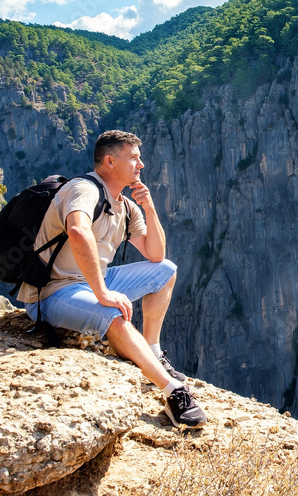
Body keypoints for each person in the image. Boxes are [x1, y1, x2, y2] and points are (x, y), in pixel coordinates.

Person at [16, 130, 206, 428]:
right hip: (54, 292)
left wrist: (149, 207)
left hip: (91, 282)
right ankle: (173, 391)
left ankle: (153, 351)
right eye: (133, 157)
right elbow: (78, 232)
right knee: (113, 313)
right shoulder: (85, 189)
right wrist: (102, 291)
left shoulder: (124, 206)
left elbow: (155, 255)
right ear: (109, 161)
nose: (140, 164)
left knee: (166, 270)